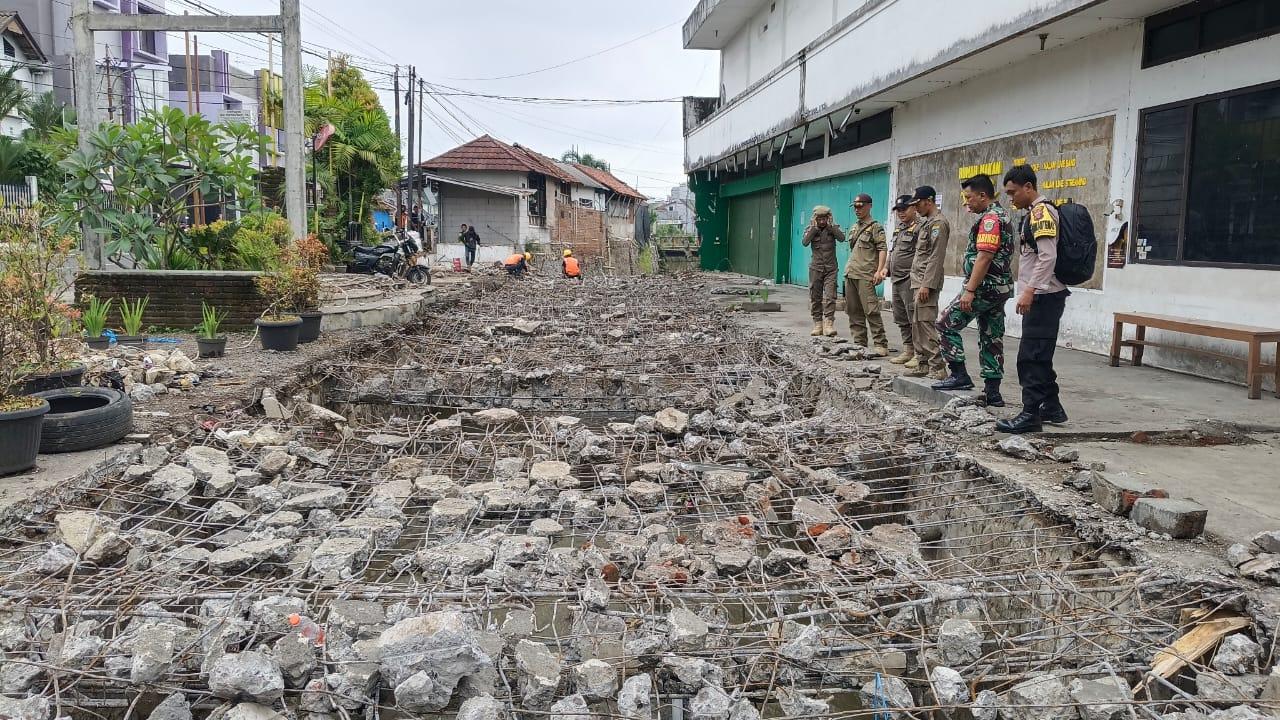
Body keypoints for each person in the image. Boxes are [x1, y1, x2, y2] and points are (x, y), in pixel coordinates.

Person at [997, 165, 1070, 433]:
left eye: (1013, 192)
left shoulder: (1041, 213)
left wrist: (1029, 290)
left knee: (1031, 357)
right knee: (1040, 355)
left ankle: (1030, 415)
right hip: (1044, 294)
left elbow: (1047, 256)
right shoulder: (1033, 213)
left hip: (1044, 296)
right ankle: (1051, 407)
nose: (1011, 198)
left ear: (1028, 187)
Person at [933, 173, 1014, 407]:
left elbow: (984, 257)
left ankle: (959, 375)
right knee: (991, 336)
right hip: (999, 288)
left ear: (982, 195)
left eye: (969, 197)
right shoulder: (1000, 215)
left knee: (945, 323)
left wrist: (969, 290)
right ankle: (993, 392)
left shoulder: (990, 219)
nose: (966, 202)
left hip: (983, 288)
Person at [905, 186, 951, 380]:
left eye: (917, 204)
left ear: (928, 201)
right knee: (916, 324)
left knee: (925, 323)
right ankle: (922, 363)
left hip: (926, 283)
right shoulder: (926, 223)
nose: (915, 208)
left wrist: (927, 284)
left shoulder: (938, 224)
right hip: (917, 281)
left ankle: (937, 367)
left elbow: (936, 257)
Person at [842, 193, 889, 356]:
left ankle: (880, 344)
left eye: (860, 206)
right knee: (853, 311)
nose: (857, 209)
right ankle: (859, 343)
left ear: (869, 206)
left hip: (865, 274)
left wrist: (879, 270)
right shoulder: (855, 227)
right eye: (855, 206)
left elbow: (882, 248)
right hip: (851, 273)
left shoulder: (875, 227)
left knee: (871, 310)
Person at [801, 205, 846, 337]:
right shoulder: (811, 229)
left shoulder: (833, 228)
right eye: (819, 219)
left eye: (824, 219)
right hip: (816, 268)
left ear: (828, 218)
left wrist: (832, 226)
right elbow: (804, 242)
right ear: (815, 218)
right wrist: (814, 228)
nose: (822, 221)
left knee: (831, 296)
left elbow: (842, 238)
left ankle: (829, 324)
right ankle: (818, 324)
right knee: (815, 297)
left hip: (831, 268)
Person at [887, 195, 919, 362]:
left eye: (904, 209)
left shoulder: (920, 228)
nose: (901, 213)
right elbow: (893, 250)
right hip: (896, 279)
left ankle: (919, 354)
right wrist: (886, 267)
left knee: (914, 317)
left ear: (914, 208)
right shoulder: (899, 228)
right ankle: (908, 349)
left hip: (909, 279)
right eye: (898, 210)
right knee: (901, 317)